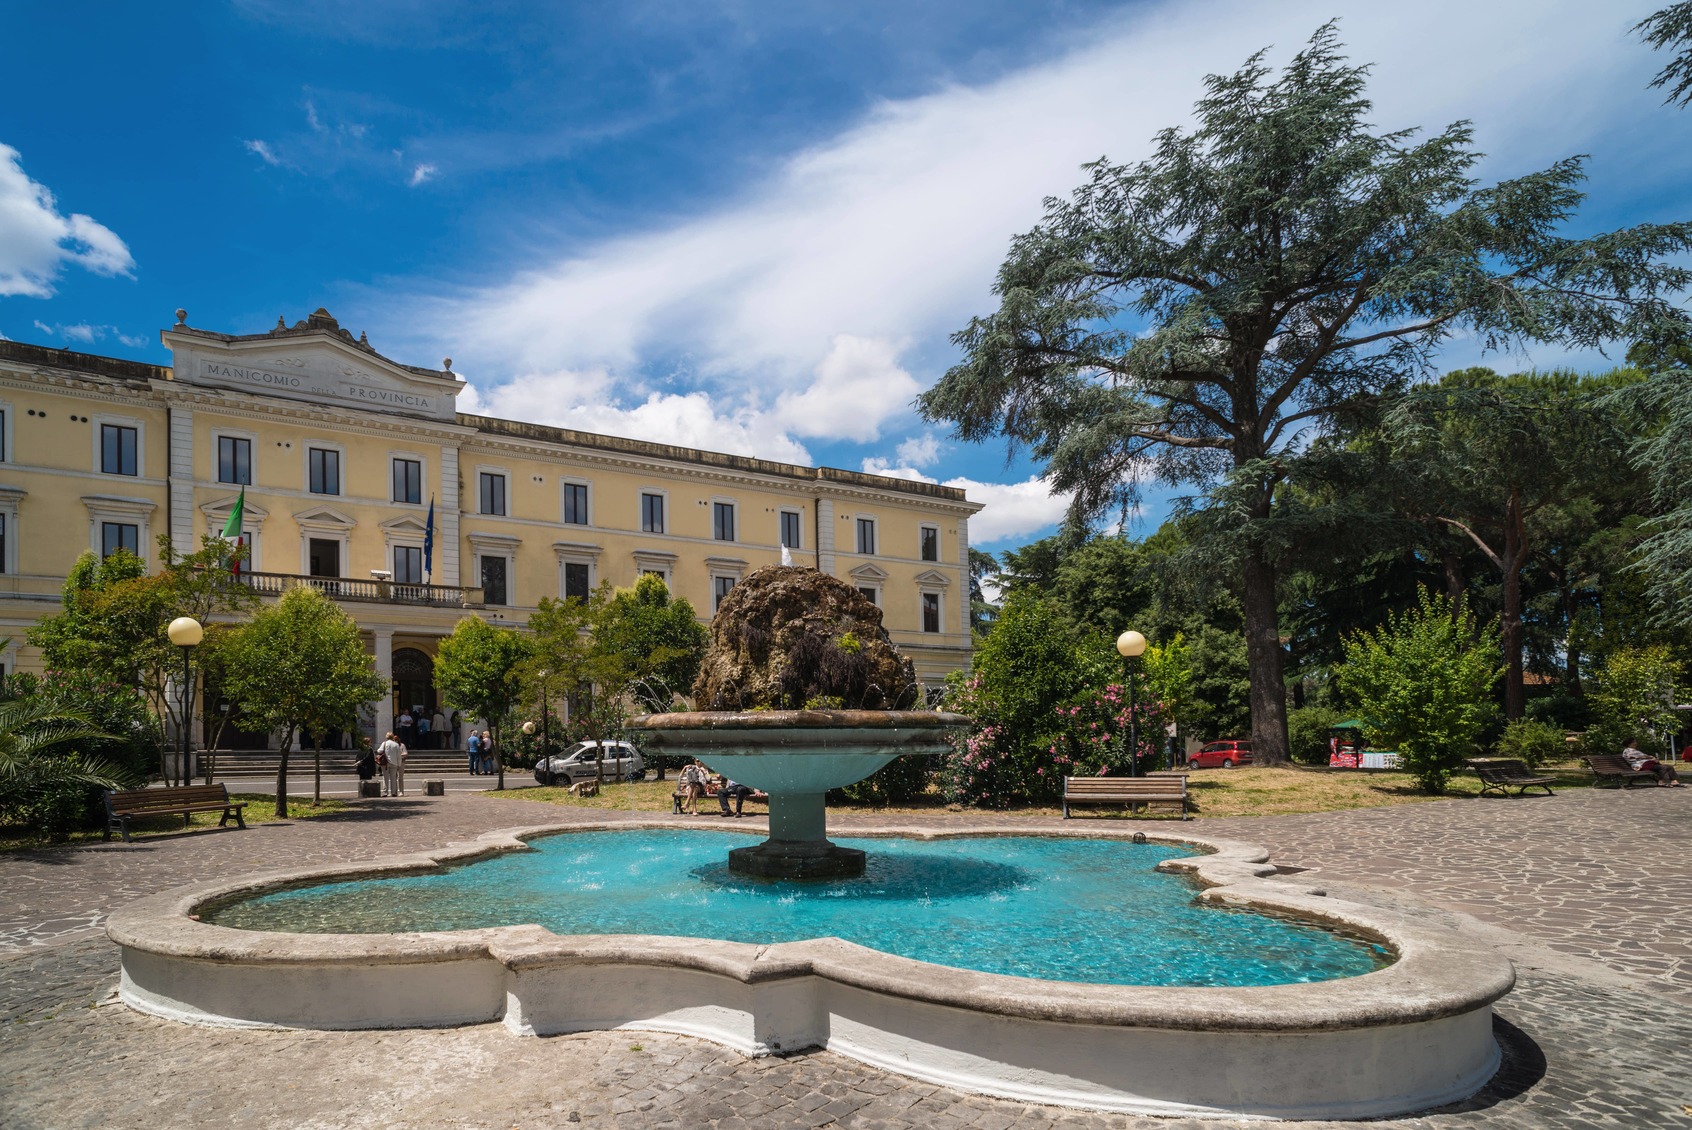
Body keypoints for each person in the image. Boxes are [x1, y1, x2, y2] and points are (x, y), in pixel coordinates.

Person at [377, 731, 406, 797]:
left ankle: (385, 792)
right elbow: (398, 755)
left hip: (385, 763)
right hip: (394, 763)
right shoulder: (396, 744)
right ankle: (394, 792)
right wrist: (399, 764)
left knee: (385, 778)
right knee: (393, 778)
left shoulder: (384, 743)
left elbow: (379, 751)